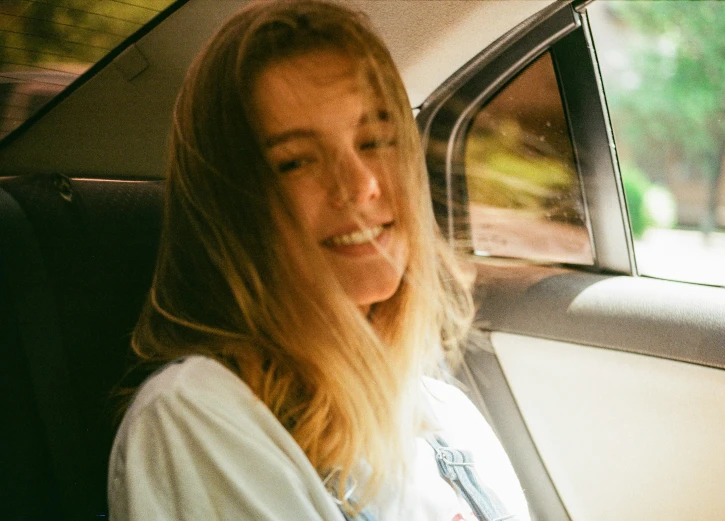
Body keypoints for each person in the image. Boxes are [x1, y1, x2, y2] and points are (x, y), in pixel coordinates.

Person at [108, 1, 530, 519]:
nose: (361, 184)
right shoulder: (196, 417)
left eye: (374, 140)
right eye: (296, 161)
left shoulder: (446, 414)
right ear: (232, 208)